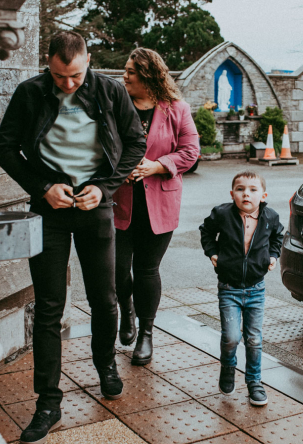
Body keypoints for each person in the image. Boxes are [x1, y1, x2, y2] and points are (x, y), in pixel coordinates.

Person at [0, 31, 147, 444]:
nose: (67, 84)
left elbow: (136, 143)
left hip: (95, 204)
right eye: (60, 76)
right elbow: (4, 149)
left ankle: (105, 367)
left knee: (106, 298)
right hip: (50, 209)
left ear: (88, 61)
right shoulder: (30, 93)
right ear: (49, 64)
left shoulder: (111, 91)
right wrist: (43, 186)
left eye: (75, 75)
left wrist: (107, 187)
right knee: (48, 307)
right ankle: (48, 402)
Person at [113, 48, 199, 365]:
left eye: (130, 71)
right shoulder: (116, 107)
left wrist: (157, 166)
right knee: (119, 271)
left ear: (147, 75)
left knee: (147, 270)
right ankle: (127, 311)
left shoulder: (177, 109)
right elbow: (101, 147)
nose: (124, 76)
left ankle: (145, 335)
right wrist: (118, 171)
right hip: (119, 203)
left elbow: (190, 152)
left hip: (159, 204)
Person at [199, 171, 284, 406]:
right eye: (240, 189)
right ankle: (228, 367)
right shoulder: (222, 214)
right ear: (232, 194)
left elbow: (278, 236)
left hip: (256, 289)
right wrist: (213, 253)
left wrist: (273, 255)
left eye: (253, 190)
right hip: (229, 288)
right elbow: (206, 231)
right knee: (231, 337)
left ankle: (254, 381)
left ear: (263, 195)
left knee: (254, 339)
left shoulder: (270, 217)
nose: (246, 193)